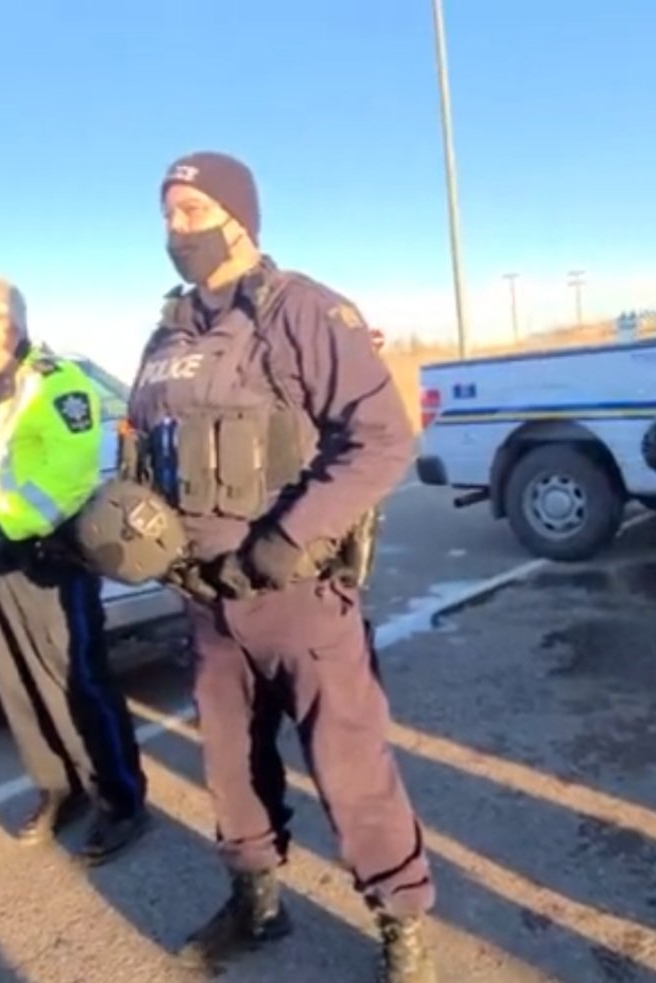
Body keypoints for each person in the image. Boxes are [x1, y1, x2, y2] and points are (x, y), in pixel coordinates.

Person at [127, 151, 436, 982]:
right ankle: (255, 899)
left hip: (295, 592)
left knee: (348, 767)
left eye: (191, 210)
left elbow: (380, 438)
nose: (175, 227)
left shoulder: (302, 309)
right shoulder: (167, 334)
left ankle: (399, 919)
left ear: (238, 218)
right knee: (229, 765)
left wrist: (283, 540)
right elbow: (141, 456)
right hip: (203, 599)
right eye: (167, 212)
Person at [0, 273, 151, 864]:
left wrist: (2, 528)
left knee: (78, 682)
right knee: (24, 688)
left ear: (4, 323)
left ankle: (121, 799)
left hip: (45, 560)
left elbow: (70, 470)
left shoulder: (55, 384)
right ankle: (60, 787)